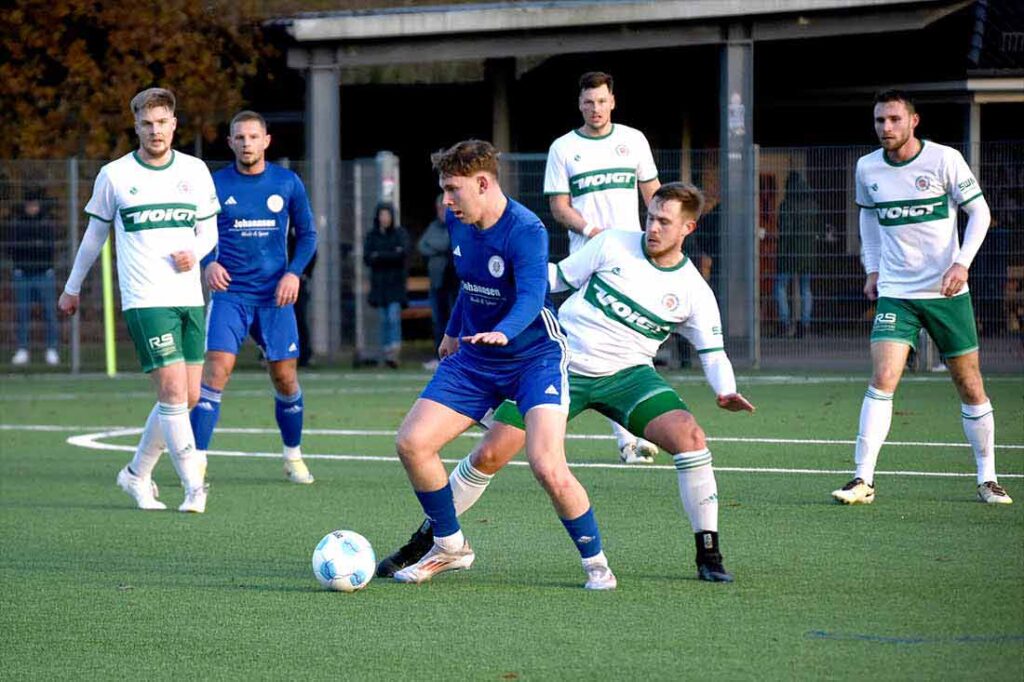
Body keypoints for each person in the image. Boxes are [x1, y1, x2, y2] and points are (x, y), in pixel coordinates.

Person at [378, 182, 755, 583]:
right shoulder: (613, 244)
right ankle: (432, 538)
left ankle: (708, 553)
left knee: (690, 437)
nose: (654, 228)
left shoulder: (693, 291)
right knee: (490, 454)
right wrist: (509, 271)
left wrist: (724, 390)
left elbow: (712, 353)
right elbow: (556, 277)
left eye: (665, 221)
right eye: (650, 217)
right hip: (561, 363)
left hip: (628, 376)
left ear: (688, 229)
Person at [390, 139, 617, 590]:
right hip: (476, 356)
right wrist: (454, 331)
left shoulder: (525, 229)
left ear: (483, 183)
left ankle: (596, 563)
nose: (446, 200)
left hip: (534, 357)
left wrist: (506, 331)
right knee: (413, 443)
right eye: (443, 190)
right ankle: (451, 546)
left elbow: (534, 295)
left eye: (453, 190)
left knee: (546, 464)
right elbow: (470, 286)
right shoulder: (459, 222)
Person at [832, 90, 1011, 505]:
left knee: (969, 384)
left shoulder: (944, 159)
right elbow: (869, 218)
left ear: (914, 121)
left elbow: (980, 213)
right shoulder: (867, 168)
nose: (886, 128)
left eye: (894, 119)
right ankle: (862, 479)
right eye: (879, 121)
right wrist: (871, 268)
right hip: (897, 292)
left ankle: (987, 478)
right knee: (883, 378)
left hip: (947, 292)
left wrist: (962, 263)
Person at [58, 87, 218, 513]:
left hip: (189, 298)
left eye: (162, 122)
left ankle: (134, 474)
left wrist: (196, 254)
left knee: (188, 398)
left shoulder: (196, 171)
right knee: (170, 392)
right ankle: (194, 487)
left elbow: (209, 232)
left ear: (174, 124)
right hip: (145, 299)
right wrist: (72, 287)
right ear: (136, 126)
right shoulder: (114, 175)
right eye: (146, 124)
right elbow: (94, 237)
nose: (155, 131)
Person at [189, 110, 318, 485]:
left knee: (284, 378)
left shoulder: (287, 182)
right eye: (239, 138)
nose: (247, 143)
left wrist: (293, 272)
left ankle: (293, 457)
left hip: (275, 298)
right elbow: (197, 231)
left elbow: (308, 235)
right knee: (216, 371)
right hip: (231, 295)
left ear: (266, 141)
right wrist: (208, 263)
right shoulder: (214, 185)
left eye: (253, 137)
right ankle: (196, 462)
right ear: (230, 143)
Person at [544, 70, 662, 464]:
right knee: (589, 345)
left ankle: (635, 434)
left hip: (632, 259)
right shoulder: (563, 147)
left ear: (613, 101)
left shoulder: (634, 140)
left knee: (630, 340)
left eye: (601, 101)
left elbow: (654, 197)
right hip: (585, 258)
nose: (595, 108)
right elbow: (560, 207)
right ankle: (625, 440)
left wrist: (664, 236)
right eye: (588, 102)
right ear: (579, 104)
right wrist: (595, 232)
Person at [8, 189, 60, 366]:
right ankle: (22, 349)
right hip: (23, 274)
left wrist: (32, 248)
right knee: (22, 313)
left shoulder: (46, 224)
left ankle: (52, 349)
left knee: (49, 313)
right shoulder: (18, 224)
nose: (32, 208)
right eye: (29, 205)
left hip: (44, 274)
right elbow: (14, 249)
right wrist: (34, 247)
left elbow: (50, 250)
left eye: (35, 205)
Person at [774, 170, 822, 338]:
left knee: (780, 287)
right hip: (808, 253)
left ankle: (786, 324)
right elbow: (819, 229)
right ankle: (805, 325)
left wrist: (781, 253)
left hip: (789, 253)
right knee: (805, 289)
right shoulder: (812, 205)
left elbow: (785, 231)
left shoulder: (787, 205)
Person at [364, 202, 408, 368]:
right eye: (382, 215)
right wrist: (390, 255)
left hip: (395, 285)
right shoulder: (372, 236)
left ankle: (394, 353)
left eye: (387, 215)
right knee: (383, 319)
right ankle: (385, 353)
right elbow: (368, 258)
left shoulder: (399, 234)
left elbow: (402, 254)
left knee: (392, 318)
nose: (384, 218)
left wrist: (380, 256)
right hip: (379, 286)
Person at [417, 194, 459, 370]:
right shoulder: (433, 227)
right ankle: (439, 355)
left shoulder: (458, 226)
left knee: (454, 320)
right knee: (438, 320)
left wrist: (438, 247)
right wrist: (439, 247)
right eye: (440, 208)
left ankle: (455, 357)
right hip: (437, 282)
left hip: (454, 283)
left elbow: (448, 244)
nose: (442, 211)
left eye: (445, 208)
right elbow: (422, 245)